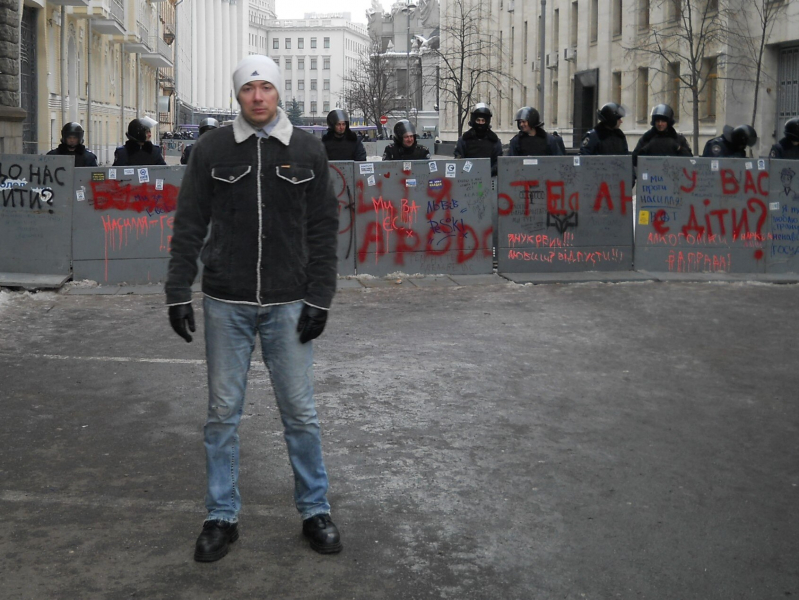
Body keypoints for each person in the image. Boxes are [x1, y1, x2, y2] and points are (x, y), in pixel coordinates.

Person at [165, 54, 341, 563]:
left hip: (289, 304)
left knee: (301, 414)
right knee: (222, 415)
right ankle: (221, 516)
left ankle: (315, 509)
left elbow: (323, 230)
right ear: (237, 95)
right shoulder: (212, 149)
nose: (258, 96)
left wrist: (319, 298)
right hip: (227, 302)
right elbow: (190, 222)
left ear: (278, 92)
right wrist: (179, 290)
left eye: (266, 87)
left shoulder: (307, 149)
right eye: (248, 89)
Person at [454, 103, 503, 176]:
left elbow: (498, 162)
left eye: (483, 120)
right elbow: (458, 160)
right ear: (474, 120)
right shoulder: (464, 140)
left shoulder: (494, 141)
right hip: (467, 180)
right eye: (478, 120)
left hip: (489, 180)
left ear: (487, 122)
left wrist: (489, 172)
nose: (480, 123)